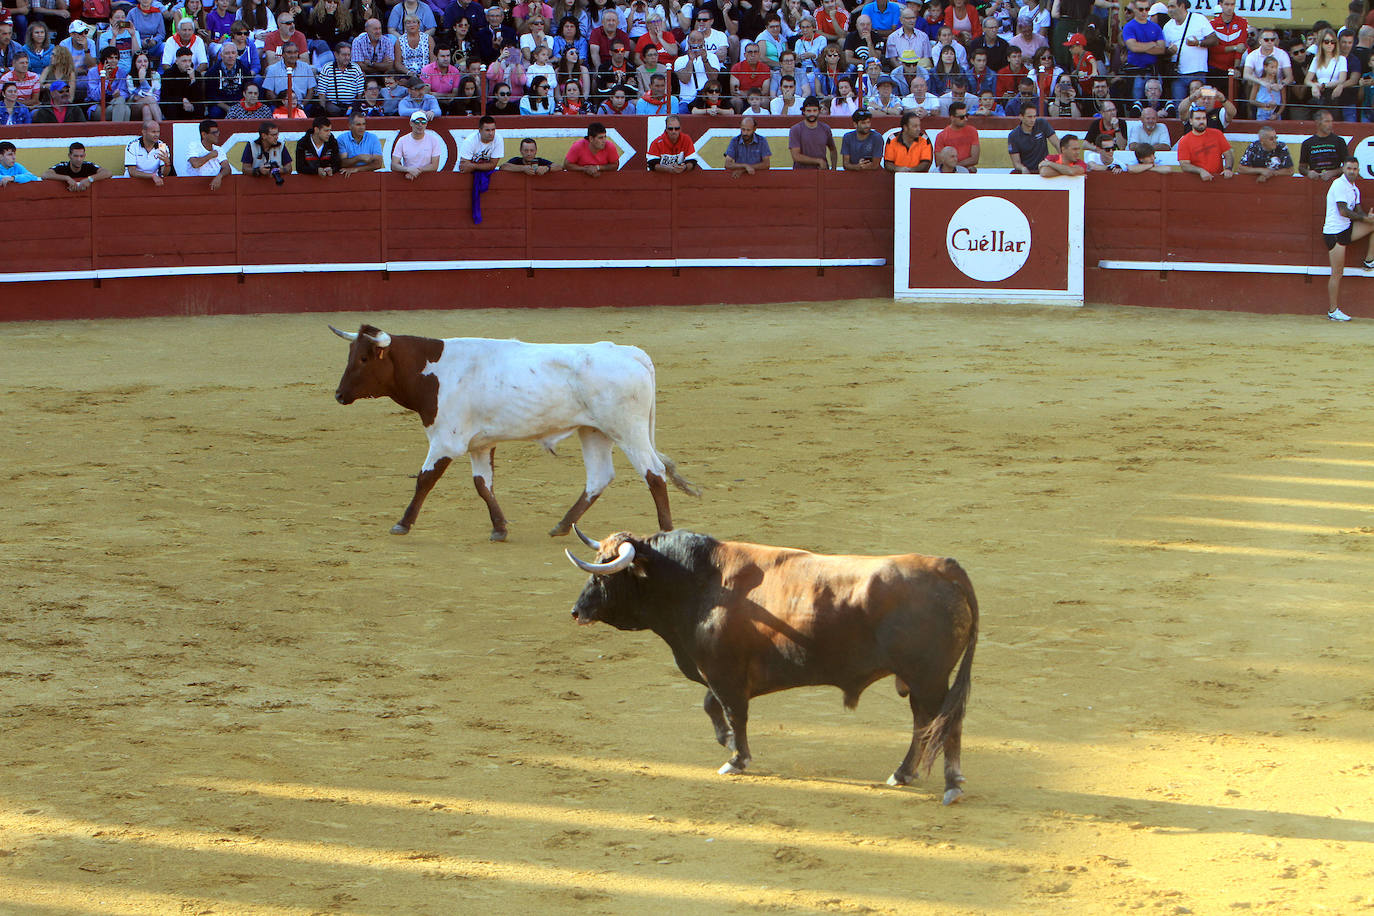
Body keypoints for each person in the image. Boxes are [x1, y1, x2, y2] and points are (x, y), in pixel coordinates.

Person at [1322, 156, 1373, 321]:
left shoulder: (1354, 188)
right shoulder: (1338, 184)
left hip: (1346, 229)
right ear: (1343, 169)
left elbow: (1358, 213)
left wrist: (1368, 218)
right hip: (1334, 232)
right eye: (1349, 168)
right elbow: (1343, 211)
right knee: (1337, 272)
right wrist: (1366, 220)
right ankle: (1332, 310)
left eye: (1355, 169)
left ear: (1358, 171)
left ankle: (1369, 260)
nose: (1352, 172)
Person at [1161, 0, 1216, 105]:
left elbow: (1214, 40)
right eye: (1168, 7)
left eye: (1172, 6)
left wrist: (1198, 43)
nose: (1169, 10)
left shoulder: (1199, 19)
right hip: (1177, 74)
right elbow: (1164, 51)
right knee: (1179, 107)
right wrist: (1169, 52)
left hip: (1197, 72)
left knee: (1199, 105)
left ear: (1182, 6)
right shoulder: (1167, 26)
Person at [1122, 0, 1167, 104]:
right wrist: (1152, 44)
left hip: (1153, 72)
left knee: (1155, 104)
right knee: (1135, 104)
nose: (1144, 12)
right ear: (1135, 10)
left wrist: (1140, 46)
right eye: (1141, 9)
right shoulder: (1129, 27)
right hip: (1136, 72)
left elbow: (1161, 49)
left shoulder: (1156, 27)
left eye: (1147, 9)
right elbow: (1133, 47)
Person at [1175, 106, 1232, 180]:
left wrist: (1228, 168)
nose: (1201, 121)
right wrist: (1200, 171)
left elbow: (1229, 155)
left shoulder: (1217, 134)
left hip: (1218, 179)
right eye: (1198, 119)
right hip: (1196, 181)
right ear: (1191, 121)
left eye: (1204, 118)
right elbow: (1184, 165)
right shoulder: (1184, 141)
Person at [1207, 0, 1248, 90]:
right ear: (1221, 5)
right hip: (1214, 68)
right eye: (1226, 4)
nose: (1230, 7)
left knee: (1232, 100)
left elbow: (1241, 48)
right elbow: (1214, 49)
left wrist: (1236, 67)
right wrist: (1234, 47)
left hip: (1232, 69)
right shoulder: (1212, 24)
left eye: (1232, 4)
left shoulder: (1242, 22)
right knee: (1213, 98)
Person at [788, 95, 835, 170]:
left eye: (815, 110)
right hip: (801, 174)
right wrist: (818, 161)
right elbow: (796, 156)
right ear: (803, 111)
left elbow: (833, 149)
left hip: (821, 172)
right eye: (809, 111)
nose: (812, 114)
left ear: (819, 111)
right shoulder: (795, 130)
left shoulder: (826, 129)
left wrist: (833, 169)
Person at [1300, 109, 1349, 180]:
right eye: (1327, 121)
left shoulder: (1339, 141)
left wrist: (1333, 173)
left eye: (1331, 121)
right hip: (1315, 183)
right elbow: (1301, 167)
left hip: (1335, 183)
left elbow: (1348, 166)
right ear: (1317, 123)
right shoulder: (1307, 143)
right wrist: (1308, 173)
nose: (1330, 124)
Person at [391, 108, 441, 179]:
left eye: (423, 122)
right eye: (417, 122)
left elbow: (435, 166)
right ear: (411, 123)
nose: (420, 125)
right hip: (408, 178)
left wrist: (415, 171)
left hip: (429, 180)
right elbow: (394, 165)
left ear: (426, 124)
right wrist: (408, 170)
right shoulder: (402, 140)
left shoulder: (434, 140)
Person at [317, 41, 364, 115]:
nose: (347, 58)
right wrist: (323, 110)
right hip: (332, 106)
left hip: (351, 106)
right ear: (336, 55)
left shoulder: (356, 68)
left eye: (349, 55)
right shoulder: (327, 68)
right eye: (344, 55)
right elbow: (321, 93)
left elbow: (360, 93)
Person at [42, 140, 110, 189]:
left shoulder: (88, 165)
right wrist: (66, 178)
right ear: (69, 156)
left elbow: (107, 173)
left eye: (81, 156)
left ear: (84, 155)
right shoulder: (63, 166)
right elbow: (45, 175)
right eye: (76, 156)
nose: (79, 159)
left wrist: (90, 179)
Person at [1007, 106, 1057, 173]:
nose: (1033, 120)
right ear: (1021, 117)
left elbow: (1057, 144)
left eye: (1034, 116)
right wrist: (1023, 169)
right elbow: (1016, 163)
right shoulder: (1013, 136)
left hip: (1044, 169)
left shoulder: (1042, 123)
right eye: (1029, 117)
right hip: (1027, 171)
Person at [933, 99, 979, 172]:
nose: (965, 119)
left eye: (966, 115)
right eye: (961, 117)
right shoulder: (941, 136)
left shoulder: (972, 131)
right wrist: (957, 167)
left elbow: (975, 159)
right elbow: (939, 162)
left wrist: (954, 165)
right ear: (952, 117)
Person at [158, 45, 202, 120]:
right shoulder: (168, 74)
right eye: (184, 61)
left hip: (190, 103)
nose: (188, 64)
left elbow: (198, 97)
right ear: (177, 61)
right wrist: (182, 100)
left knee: (199, 107)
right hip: (175, 104)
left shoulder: (196, 74)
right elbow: (166, 96)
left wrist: (192, 80)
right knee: (171, 107)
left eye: (189, 61)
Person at [882, 108, 932, 173]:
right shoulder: (892, 139)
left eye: (919, 126)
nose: (919, 129)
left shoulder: (925, 139)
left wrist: (910, 171)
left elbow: (926, 163)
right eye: (915, 126)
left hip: (918, 178)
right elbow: (888, 164)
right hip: (896, 177)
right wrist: (897, 169)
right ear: (905, 127)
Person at [124, 116, 171, 183]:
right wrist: (152, 176)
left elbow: (164, 174)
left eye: (158, 132)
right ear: (144, 132)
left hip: (153, 182)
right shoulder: (133, 145)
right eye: (153, 132)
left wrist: (167, 164)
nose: (156, 135)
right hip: (132, 182)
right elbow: (132, 172)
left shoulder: (162, 147)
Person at [184, 118, 229, 188]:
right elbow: (195, 164)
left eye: (218, 132)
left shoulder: (219, 149)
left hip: (213, 185)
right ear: (204, 134)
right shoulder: (194, 146)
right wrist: (210, 155)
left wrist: (219, 176)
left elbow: (227, 168)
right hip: (194, 186)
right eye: (214, 133)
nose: (217, 135)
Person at [1250, 55, 1284, 120]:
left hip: (1275, 113)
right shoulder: (1259, 82)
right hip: (1262, 112)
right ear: (1265, 67)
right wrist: (1266, 105)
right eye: (1272, 67)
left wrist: (1277, 114)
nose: (1274, 70)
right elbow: (1251, 100)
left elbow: (1283, 102)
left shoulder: (1280, 83)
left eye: (1276, 67)